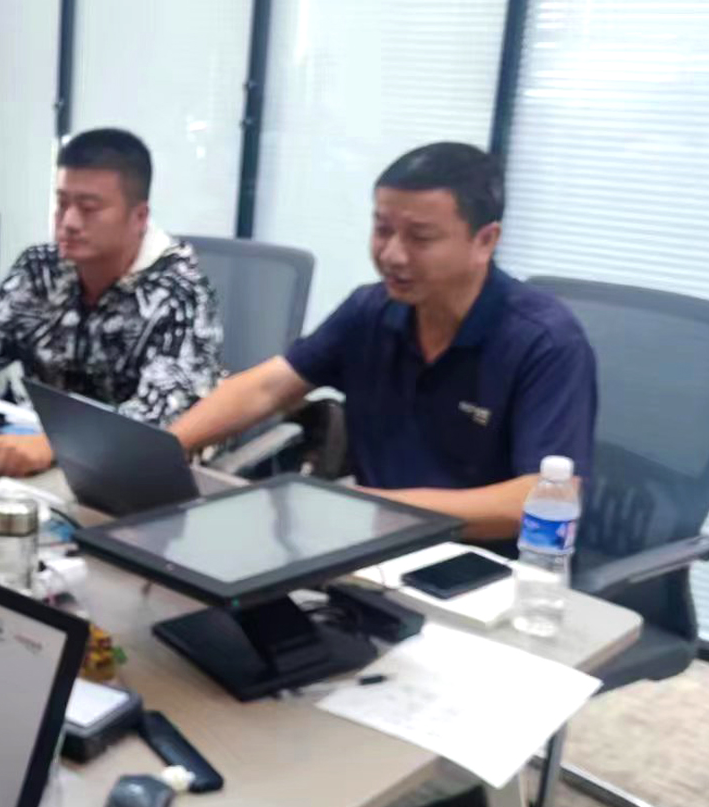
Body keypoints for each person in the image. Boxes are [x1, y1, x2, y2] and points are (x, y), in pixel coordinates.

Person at [170, 143, 597, 540]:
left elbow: (541, 499)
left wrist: (368, 509)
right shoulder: (370, 310)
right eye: (382, 230)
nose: (392, 254)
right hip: (374, 546)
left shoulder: (545, 341)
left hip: (480, 565)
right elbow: (266, 388)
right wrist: (165, 449)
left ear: (485, 241)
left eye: (420, 238)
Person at [0, 128, 223, 476]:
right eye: (62, 203)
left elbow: (161, 417)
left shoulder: (179, 292)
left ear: (139, 217)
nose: (68, 222)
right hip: (32, 451)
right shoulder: (40, 269)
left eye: (88, 208)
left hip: (129, 474)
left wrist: (56, 444)